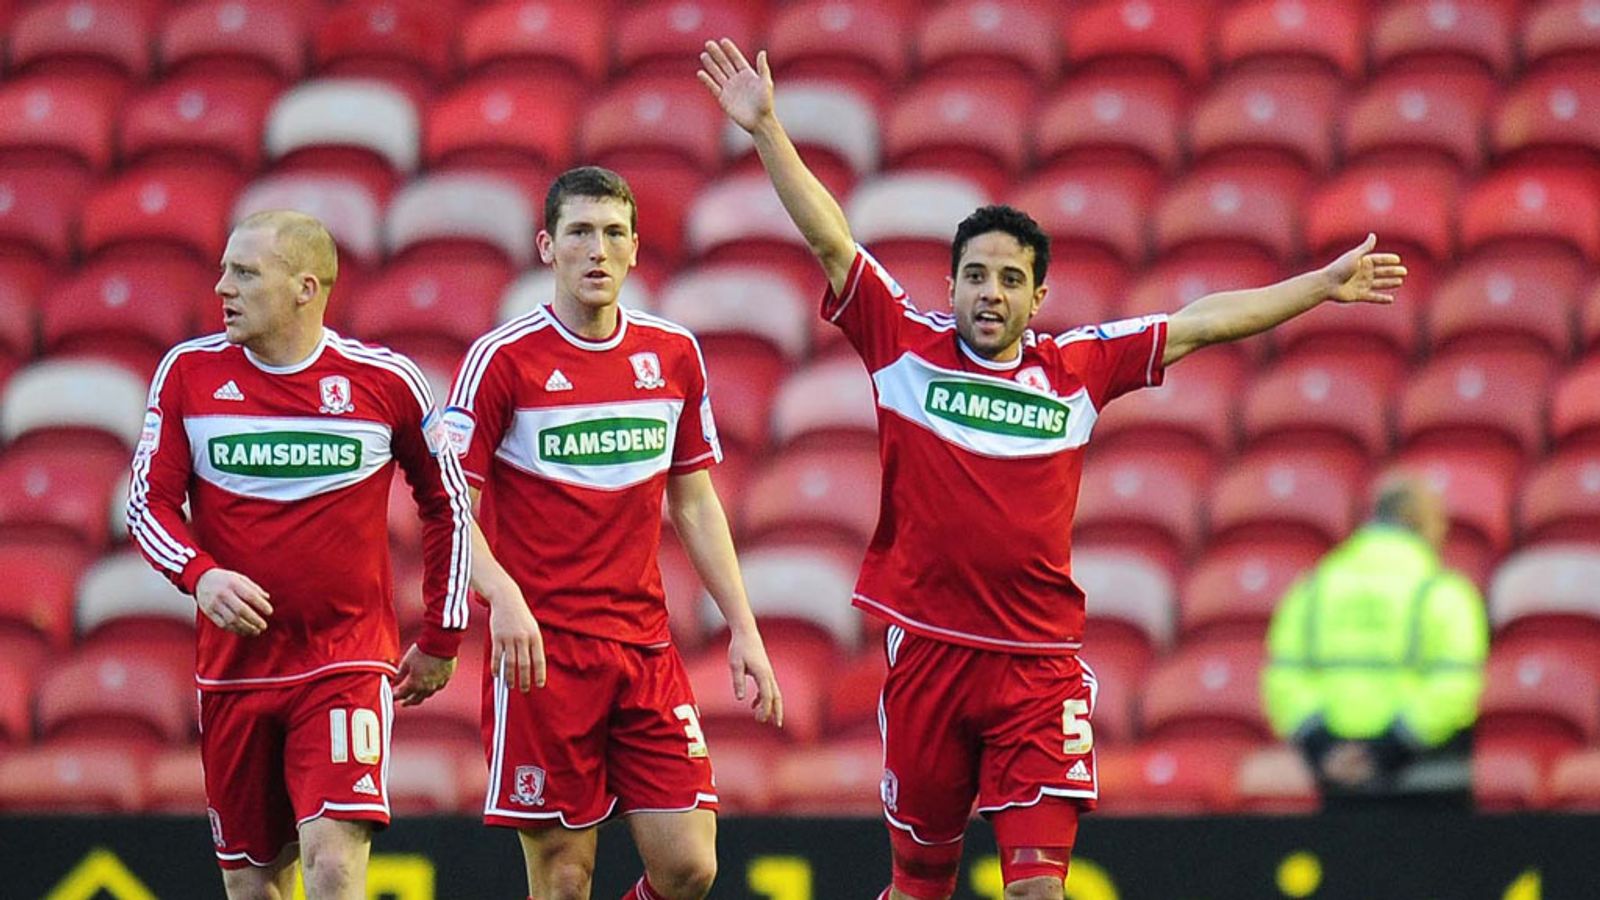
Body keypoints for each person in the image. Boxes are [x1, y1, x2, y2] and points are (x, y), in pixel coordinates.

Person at [698, 38, 1409, 900]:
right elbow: (832, 240)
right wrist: (769, 129)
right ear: (951, 286)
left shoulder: (1077, 366)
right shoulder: (904, 347)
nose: (988, 293)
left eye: (1008, 279)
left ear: (1038, 297)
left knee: (1038, 890)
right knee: (919, 884)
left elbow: (1203, 323)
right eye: (973, 277)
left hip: (1038, 667)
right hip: (928, 656)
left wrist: (1317, 285)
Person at [126, 210, 542, 900]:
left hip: (342, 660)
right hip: (234, 674)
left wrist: (442, 635)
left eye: (245, 273)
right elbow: (148, 505)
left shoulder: (385, 381)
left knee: (332, 862)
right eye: (225, 269)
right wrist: (201, 577)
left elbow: (445, 504)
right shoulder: (188, 375)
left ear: (305, 288)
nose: (222, 286)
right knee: (252, 884)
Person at [442, 166, 784, 900]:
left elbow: (694, 503)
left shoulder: (672, 356)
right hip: (544, 654)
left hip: (643, 647)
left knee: (690, 865)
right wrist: (500, 594)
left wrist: (744, 628)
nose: (597, 250)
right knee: (566, 878)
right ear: (546, 246)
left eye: (613, 234)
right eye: (579, 233)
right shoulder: (502, 361)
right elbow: (450, 508)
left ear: (634, 249)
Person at [1263, 474, 1489, 810]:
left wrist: (1321, 745)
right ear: (1424, 524)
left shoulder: (1313, 589)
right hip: (1427, 780)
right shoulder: (1443, 593)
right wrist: (1392, 746)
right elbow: (1456, 685)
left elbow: (1284, 678)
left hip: (1338, 776)